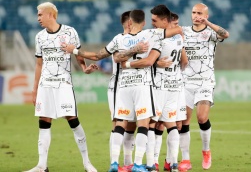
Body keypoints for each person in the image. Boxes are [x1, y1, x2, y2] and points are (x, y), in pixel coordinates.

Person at [61, 11, 149, 171]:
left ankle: (126, 163)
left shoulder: (119, 40)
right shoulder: (134, 38)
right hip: (118, 87)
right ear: (130, 22)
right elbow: (98, 56)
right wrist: (74, 50)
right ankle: (116, 162)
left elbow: (97, 55)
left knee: (130, 126)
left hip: (124, 86)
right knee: (118, 125)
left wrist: (74, 51)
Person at [24, 2, 98, 172]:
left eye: (40, 15)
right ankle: (42, 166)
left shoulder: (69, 32)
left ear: (50, 14)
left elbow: (78, 54)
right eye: (37, 15)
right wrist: (34, 89)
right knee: (44, 121)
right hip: (45, 84)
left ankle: (87, 163)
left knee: (72, 119)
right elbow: (38, 64)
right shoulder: (39, 37)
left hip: (63, 83)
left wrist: (84, 68)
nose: (38, 18)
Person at [109, 9, 183, 172]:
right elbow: (183, 60)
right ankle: (171, 163)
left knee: (143, 124)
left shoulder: (132, 37)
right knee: (168, 125)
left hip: (149, 85)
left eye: (155, 21)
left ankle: (146, 163)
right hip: (172, 85)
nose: (152, 23)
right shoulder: (174, 39)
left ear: (165, 22)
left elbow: (116, 57)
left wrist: (127, 64)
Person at [180, 3, 229, 171]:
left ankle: (206, 150)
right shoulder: (183, 31)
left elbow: (225, 34)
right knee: (183, 122)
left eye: (199, 13)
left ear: (206, 15)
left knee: (201, 118)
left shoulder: (211, 32)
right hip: (185, 81)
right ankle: (185, 159)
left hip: (205, 81)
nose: (196, 15)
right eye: (193, 12)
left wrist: (207, 23)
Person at [152, 11, 188, 172]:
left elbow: (149, 60)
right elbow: (184, 61)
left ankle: (154, 163)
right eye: (175, 24)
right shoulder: (180, 38)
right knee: (171, 123)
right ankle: (172, 163)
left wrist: (158, 64)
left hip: (160, 84)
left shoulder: (160, 38)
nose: (177, 27)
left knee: (154, 123)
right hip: (176, 84)